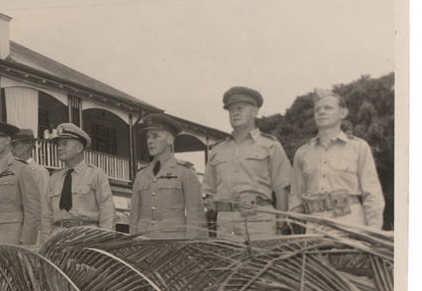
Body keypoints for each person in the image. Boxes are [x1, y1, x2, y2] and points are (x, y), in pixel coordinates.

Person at [289, 89, 385, 233]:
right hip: (314, 232)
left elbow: (372, 193)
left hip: (350, 229)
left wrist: (374, 231)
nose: (321, 112)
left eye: (328, 108)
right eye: (317, 110)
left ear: (343, 113)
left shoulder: (358, 147)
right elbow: (296, 198)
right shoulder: (302, 153)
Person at [205, 85, 292, 241]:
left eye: (240, 108)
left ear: (254, 112)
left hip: (259, 221)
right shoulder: (218, 150)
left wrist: (280, 225)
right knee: (229, 265)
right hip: (226, 224)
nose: (235, 113)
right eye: (231, 110)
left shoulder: (270, 145)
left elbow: (281, 188)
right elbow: (210, 191)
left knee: (260, 264)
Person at [129, 114, 204, 239]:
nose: (149, 141)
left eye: (155, 136)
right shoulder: (141, 175)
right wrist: (131, 242)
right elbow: (134, 215)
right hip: (144, 243)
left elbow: (195, 215)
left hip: (173, 243)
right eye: (148, 137)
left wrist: (192, 249)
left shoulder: (185, 172)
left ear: (170, 140)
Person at [0, 121, 42, 246]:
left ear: (8, 140)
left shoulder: (23, 169)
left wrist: (26, 244)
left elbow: (33, 212)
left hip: (12, 240)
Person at [46, 123, 116, 231]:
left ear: (79, 148)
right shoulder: (53, 178)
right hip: (58, 237)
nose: (59, 148)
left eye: (65, 144)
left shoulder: (96, 175)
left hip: (86, 235)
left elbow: (107, 212)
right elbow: (46, 216)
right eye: (58, 145)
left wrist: (104, 241)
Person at [9, 129, 53, 246]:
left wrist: (44, 236)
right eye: (11, 145)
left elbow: (44, 205)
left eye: (16, 144)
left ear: (28, 145)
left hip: (33, 234)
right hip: (12, 231)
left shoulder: (39, 171)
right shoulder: (8, 171)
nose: (12, 149)